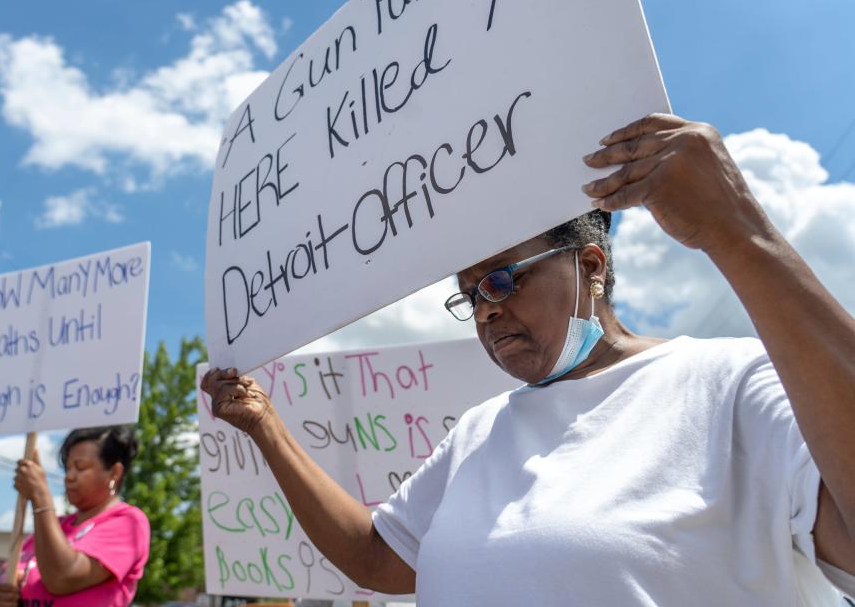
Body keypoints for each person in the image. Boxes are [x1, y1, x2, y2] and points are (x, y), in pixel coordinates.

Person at [202, 114, 855, 605]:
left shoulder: (732, 383)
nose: (484, 309)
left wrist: (738, 230)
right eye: (468, 294)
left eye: (501, 280)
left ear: (590, 266)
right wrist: (266, 426)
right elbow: (377, 559)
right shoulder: (479, 433)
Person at [0, 425, 150, 607]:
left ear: (114, 472)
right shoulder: (54, 526)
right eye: (67, 468)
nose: (69, 477)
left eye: (80, 468)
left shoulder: (128, 522)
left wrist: (41, 498)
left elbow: (62, 577)